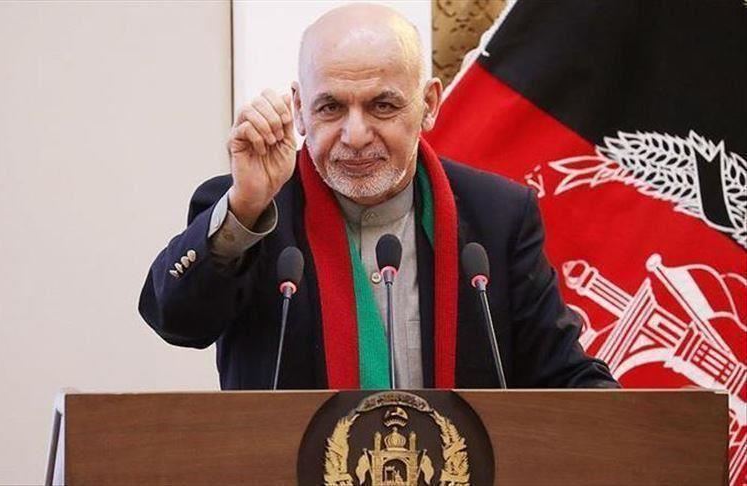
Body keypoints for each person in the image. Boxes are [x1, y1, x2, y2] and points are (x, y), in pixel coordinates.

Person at [138, 4, 617, 390]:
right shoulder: (250, 208)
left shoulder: (497, 216)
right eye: (331, 107)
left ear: (428, 104)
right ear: (300, 109)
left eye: (382, 105)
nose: (355, 135)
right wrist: (245, 208)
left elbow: (562, 374)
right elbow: (175, 320)